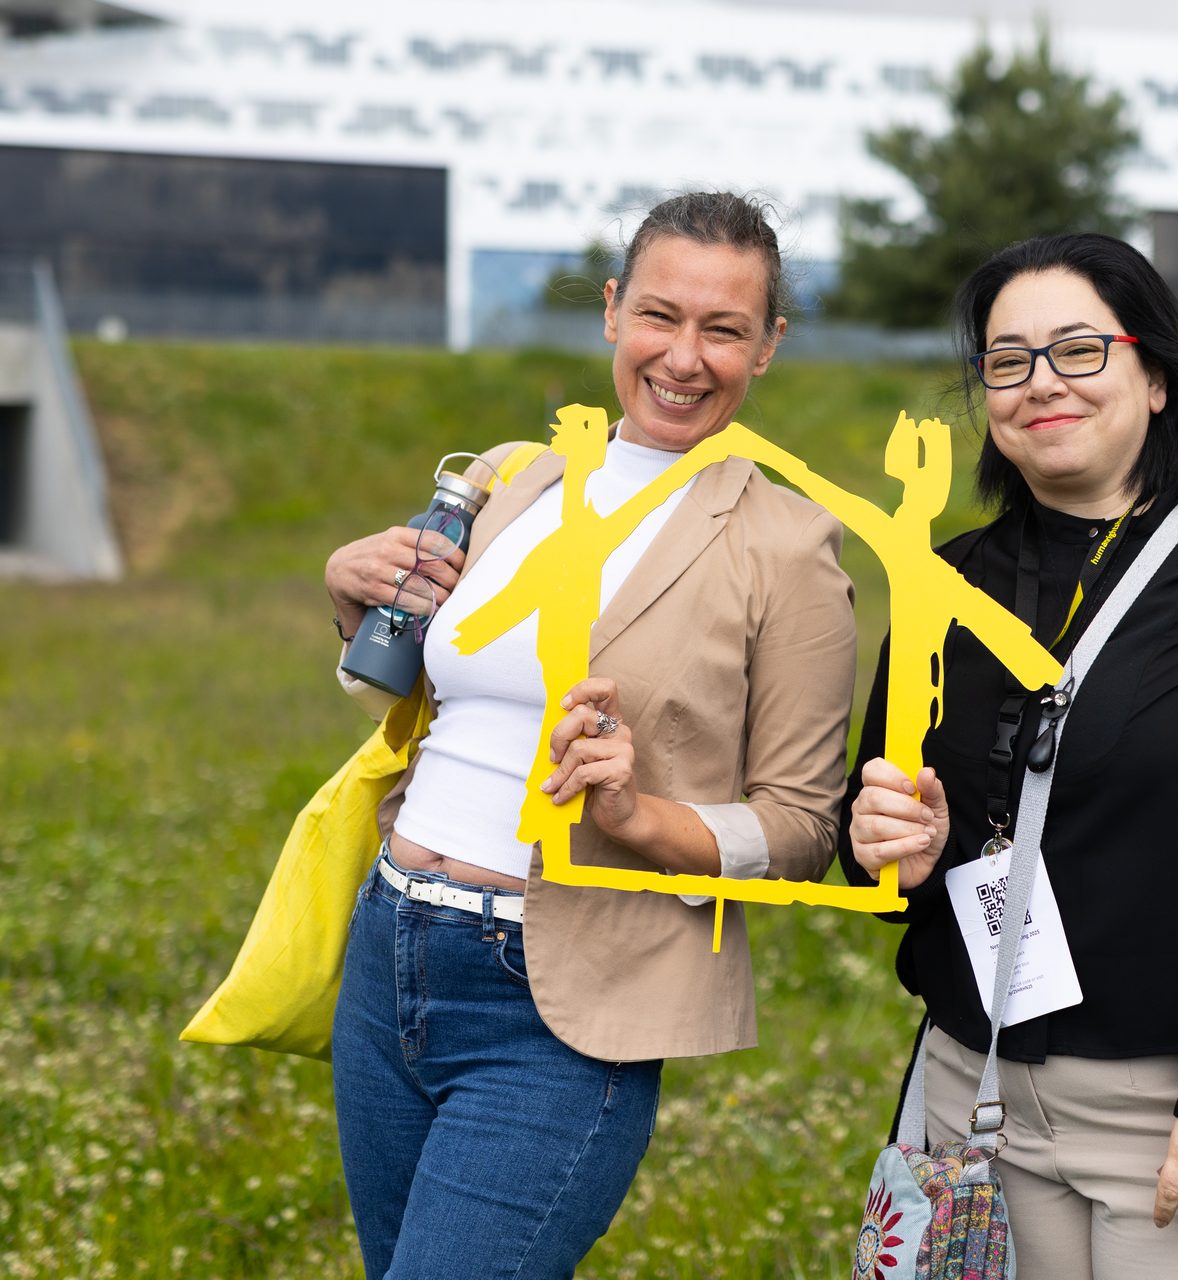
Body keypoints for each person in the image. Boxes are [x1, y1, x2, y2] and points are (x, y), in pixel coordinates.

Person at [840, 232, 1178, 1279]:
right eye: (1007, 360)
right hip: (976, 1097)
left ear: (1155, 378)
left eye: (1078, 349)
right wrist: (885, 847)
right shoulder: (944, 583)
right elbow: (879, 830)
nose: (1039, 382)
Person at [320, 192, 857, 1277]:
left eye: (725, 329)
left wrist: (639, 813)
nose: (685, 356)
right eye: (661, 314)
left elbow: (802, 826)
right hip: (390, 952)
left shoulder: (791, 546)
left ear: (770, 345)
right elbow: (440, 695)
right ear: (613, 311)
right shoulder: (515, 477)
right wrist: (349, 595)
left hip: (563, 999)